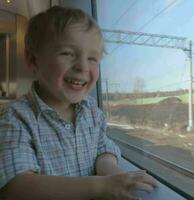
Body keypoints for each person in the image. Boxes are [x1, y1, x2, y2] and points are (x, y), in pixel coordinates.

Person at [0, 6, 158, 200]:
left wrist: (112, 172)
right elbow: (16, 186)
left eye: (93, 58)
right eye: (67, 53)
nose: (83, 66)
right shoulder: (16, 118)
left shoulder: (92, 111)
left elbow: (102, 147)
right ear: (33, 60)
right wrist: (101, 187)